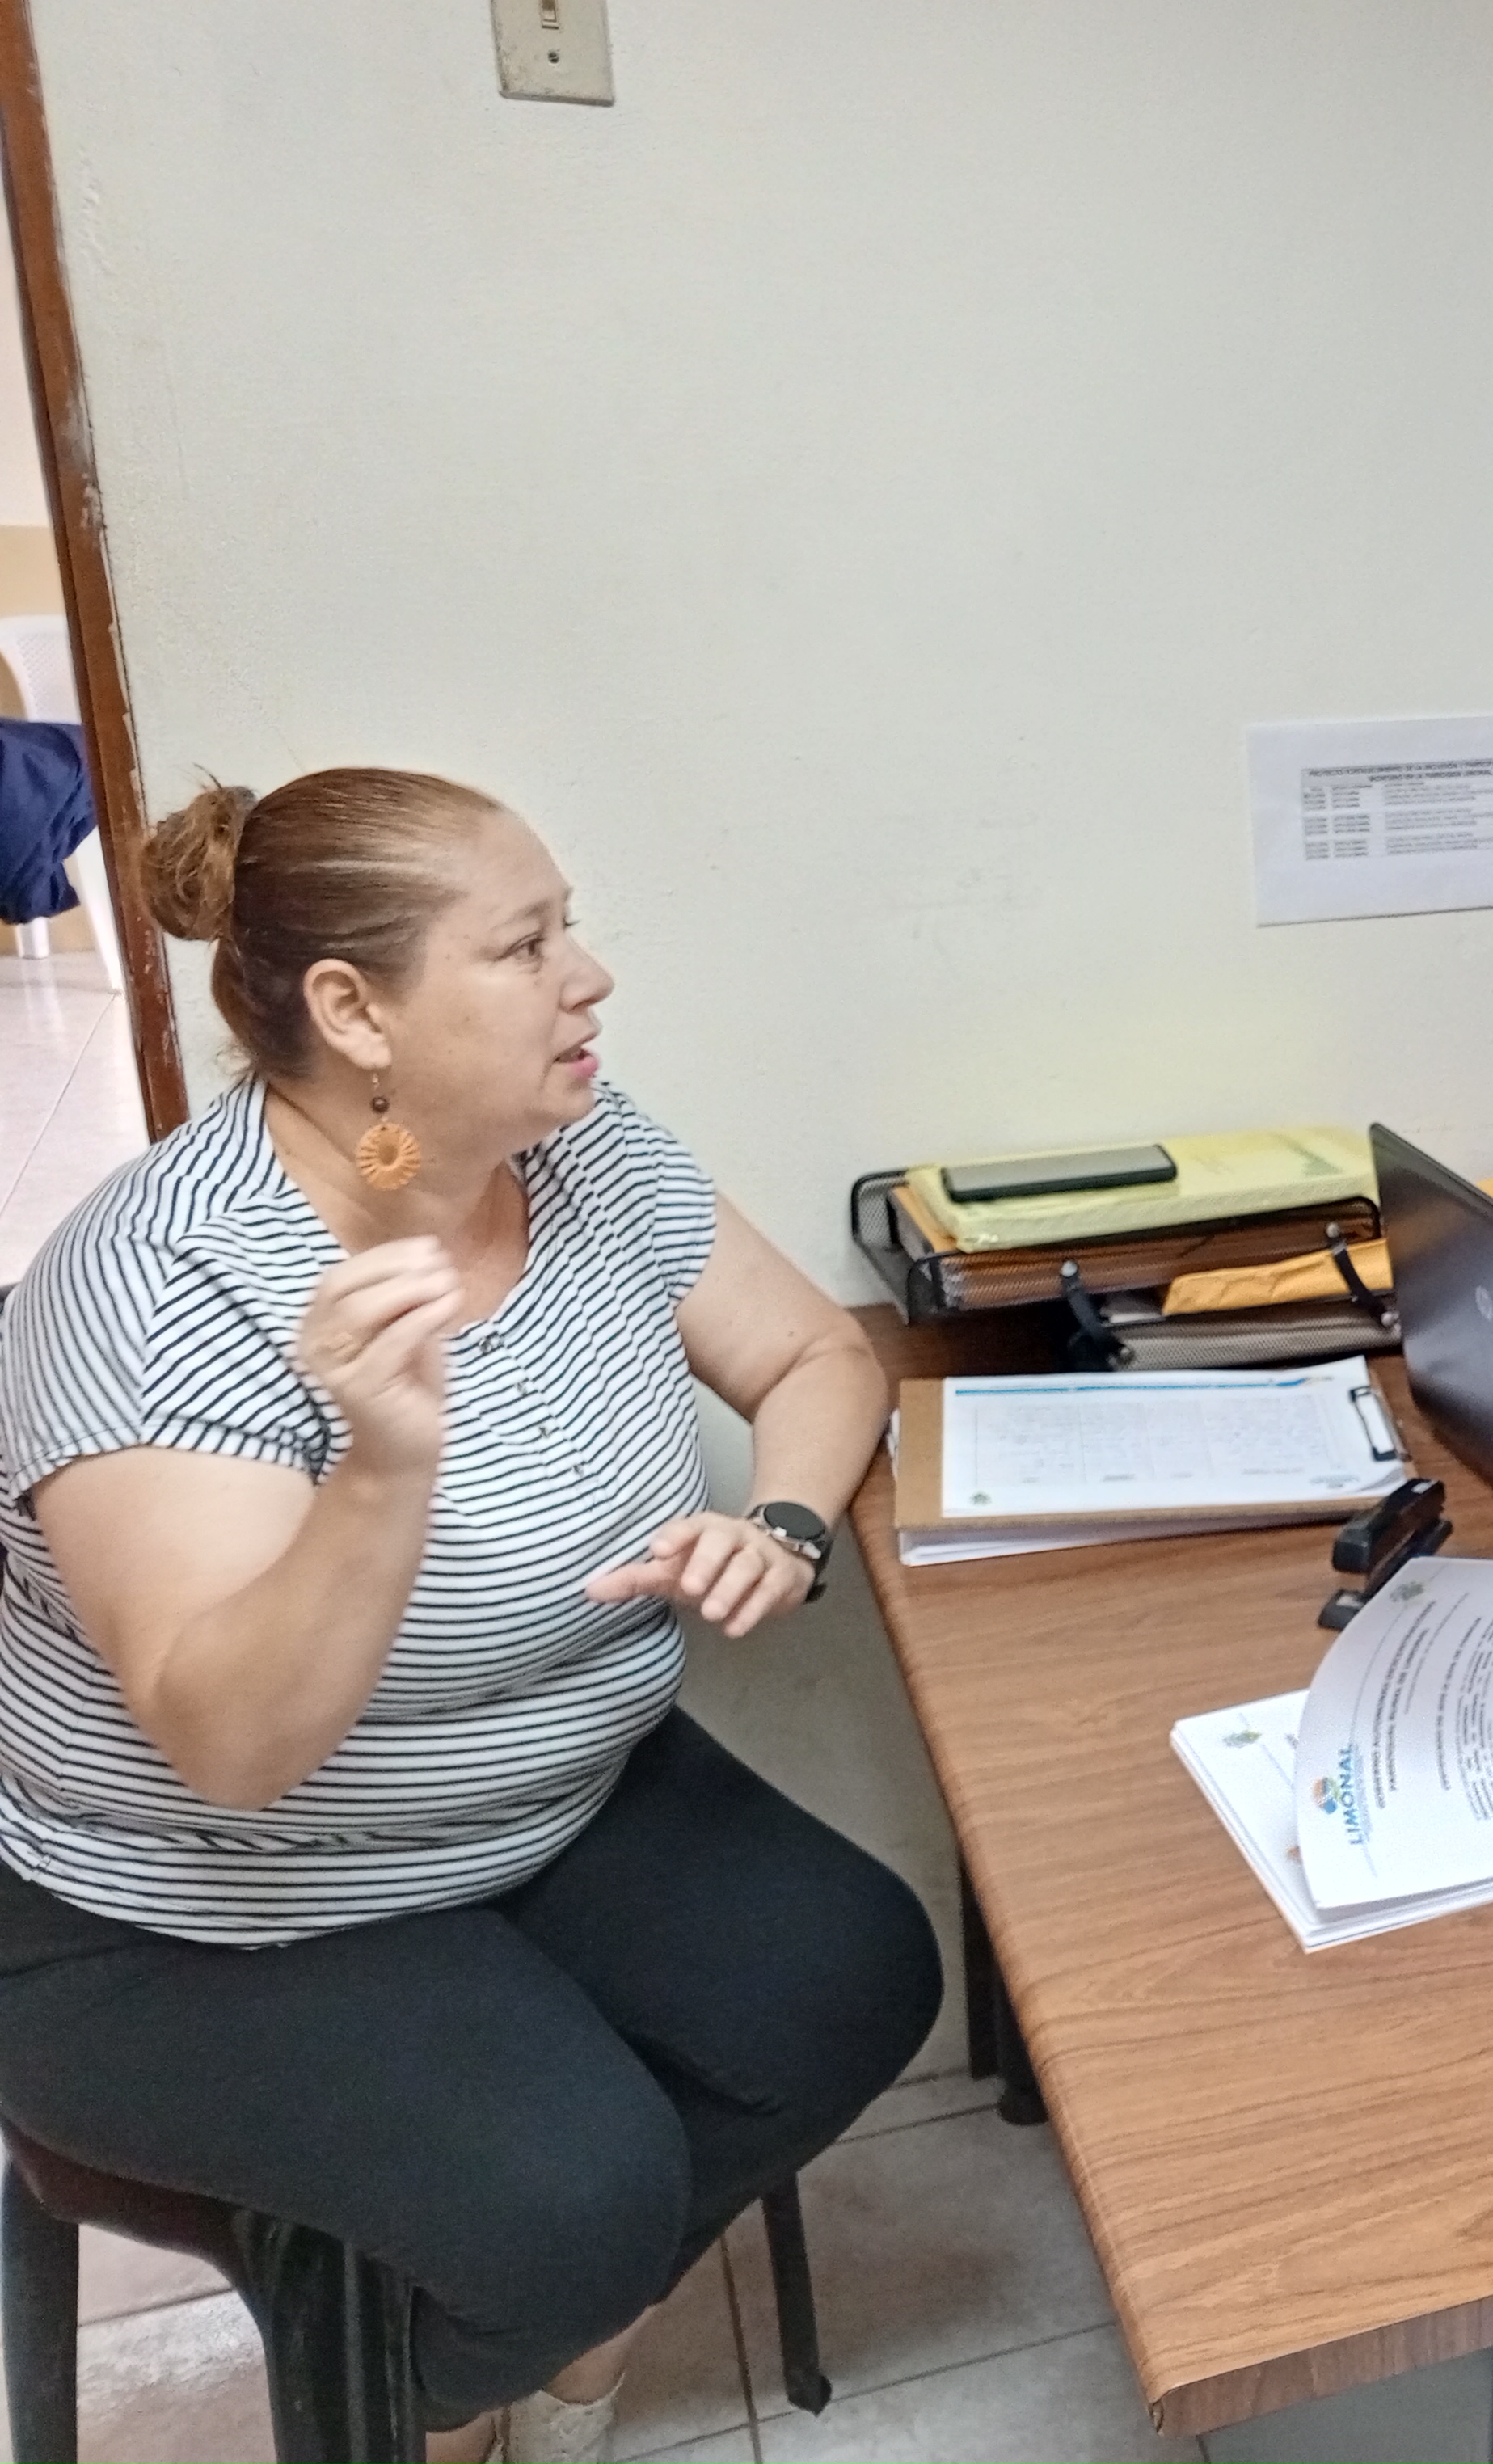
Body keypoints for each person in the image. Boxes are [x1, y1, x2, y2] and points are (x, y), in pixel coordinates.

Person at [0, 769, 941, 2464]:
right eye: (524, 947)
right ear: (354, 1012)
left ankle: (555, 2357)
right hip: (197, 1909)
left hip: (544, 1804)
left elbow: (818, 1354)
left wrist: (786, 1522)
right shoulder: (158, 1288)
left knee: (857, 1979)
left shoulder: (578, 1148)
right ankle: (431, 2414)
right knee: (574, 2193)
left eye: (568, 928)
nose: (590, 978)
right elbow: (233, 1747)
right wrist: (383, 1465)